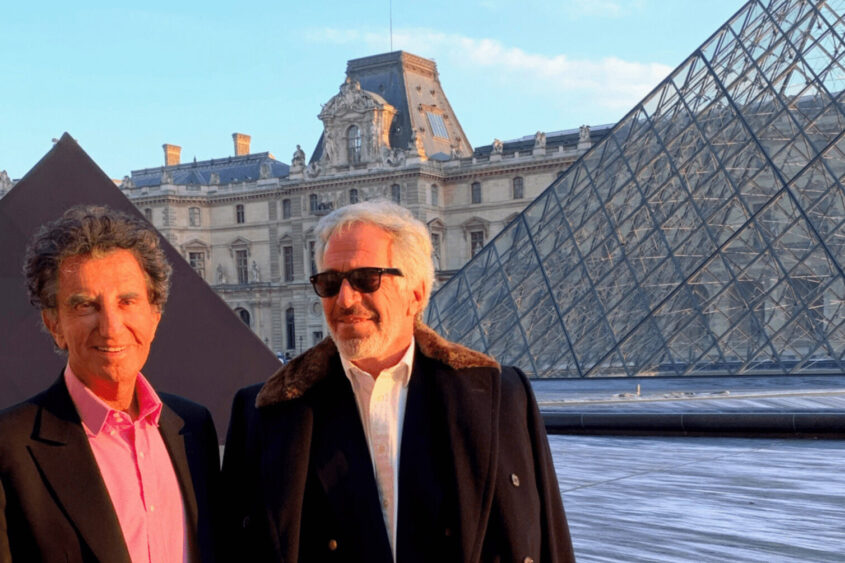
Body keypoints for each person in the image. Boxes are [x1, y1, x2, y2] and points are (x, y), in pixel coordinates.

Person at [222, 200, 574, 562]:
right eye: (329, 283)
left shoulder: (504, 395)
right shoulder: (263, 413)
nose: (345, 299)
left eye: (366, 279)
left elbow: (550, 542)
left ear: (416, 293)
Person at [0, 205, 220, 562]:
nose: (111, 327)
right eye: (86, 306)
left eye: (127, 301)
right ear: (54, 325)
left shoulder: (193, 427)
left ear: (154, 315)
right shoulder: (9, 447)